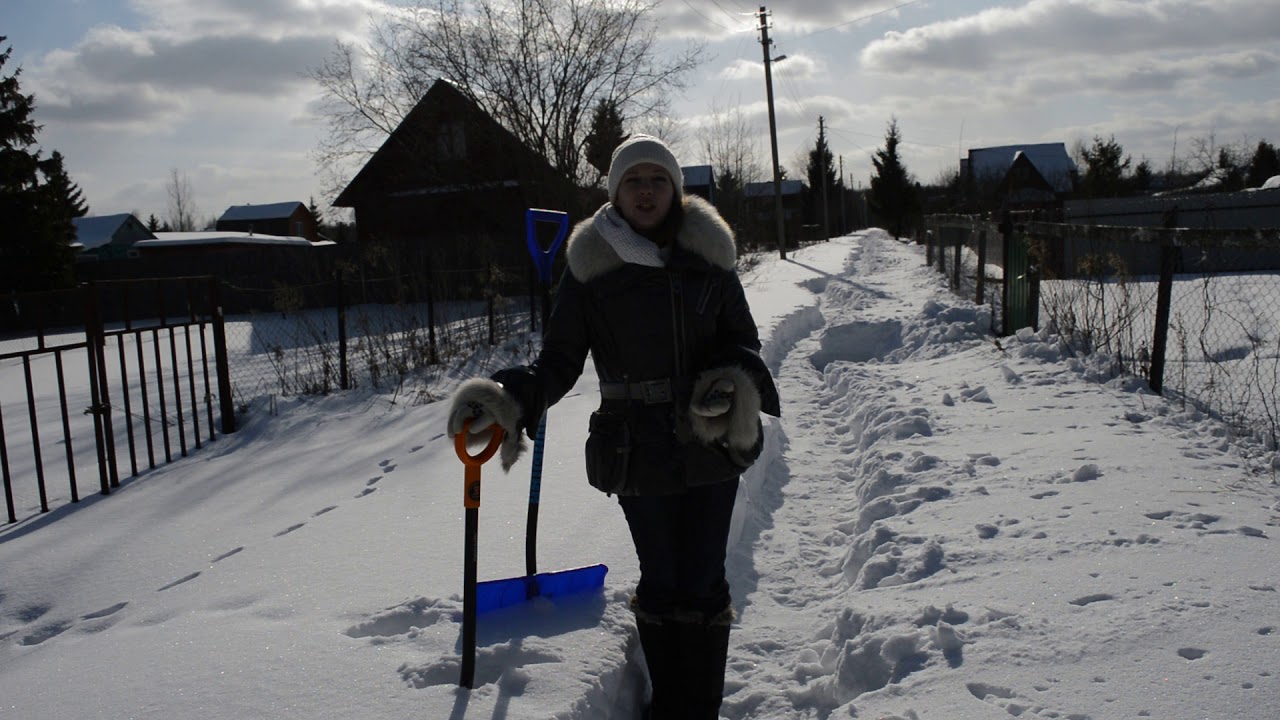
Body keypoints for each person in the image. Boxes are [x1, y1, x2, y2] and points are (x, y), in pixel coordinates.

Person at [447, 134, 780, 718]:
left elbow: (743, 343)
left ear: (674, 189)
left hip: (710, 439)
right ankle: (671, 705)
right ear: (615, 192)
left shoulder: (710, 256)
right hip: (635, 446)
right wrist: (511, 397)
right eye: (633, 181)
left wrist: (729, 381)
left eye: (657, 180)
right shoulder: (590, 267)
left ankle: (697, 709)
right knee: (662, 576)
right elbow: (559, 360)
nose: (645, 191)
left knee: (703, 579)